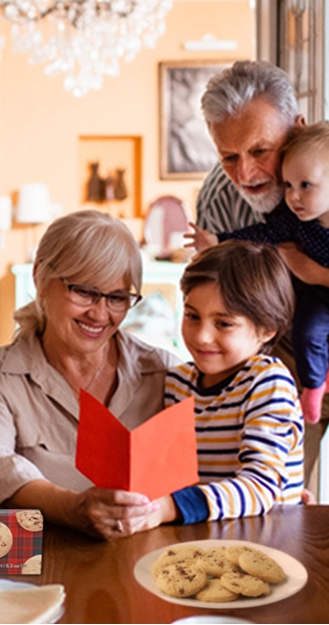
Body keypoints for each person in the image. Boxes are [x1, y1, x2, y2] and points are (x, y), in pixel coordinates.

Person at [0, 210, 180, 539]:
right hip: (45, 564)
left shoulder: (166, 373)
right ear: (40, 279)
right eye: (84, 292)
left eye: (117, 298)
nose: (100, 313)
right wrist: (71, 507)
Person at [195, 59, 327, 492]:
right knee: (280, 499)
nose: (246, 174)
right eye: (228, 157)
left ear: (298, 127)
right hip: (278, 360)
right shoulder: (219, 199)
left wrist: (311, 272)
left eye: (259, 151)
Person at [188, 121, 329, 425]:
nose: (292, 197)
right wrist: (218, 240)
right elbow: (260, 233)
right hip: (312, 311)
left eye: (260, 151)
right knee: (310, 331)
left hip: (317, 289)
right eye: (289, 185)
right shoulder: (294, 220)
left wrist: (315, 273)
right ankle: (316, 385)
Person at [163, 240, 303, 523]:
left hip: (269, 548)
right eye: (192, 316)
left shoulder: (267, 382)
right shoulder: (177, 383)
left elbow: (260, 487)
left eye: (224, 323)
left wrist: (168, 508)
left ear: (266, 329)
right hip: (202, 544)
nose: (202, 336)